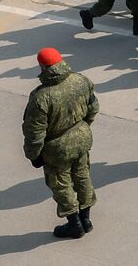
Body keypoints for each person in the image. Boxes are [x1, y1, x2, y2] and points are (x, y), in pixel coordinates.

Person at [22, 48, 99, 239]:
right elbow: (93, 107)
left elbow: (34, 131)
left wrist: (34, 155)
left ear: (42, 66)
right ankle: (86, 219)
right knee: (82, 176)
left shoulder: (41, 97)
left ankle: (74, 225)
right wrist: (81, 128)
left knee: (61, 184)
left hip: (57, 149)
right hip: (82, 138)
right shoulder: (81, 80)